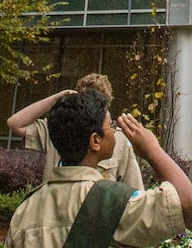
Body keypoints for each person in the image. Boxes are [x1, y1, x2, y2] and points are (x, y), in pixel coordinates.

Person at [6, 90, 192, 247]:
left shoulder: (26, 208)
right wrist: (152, 150)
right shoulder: (113, 203)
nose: (115, 132)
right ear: (95, 141)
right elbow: (190, 205)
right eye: (111, 127)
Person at [7, 72, 144, 187]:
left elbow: (134, 187)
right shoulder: (60, 128)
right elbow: (15, 123)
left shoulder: (118, 140)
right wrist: (55, 99)